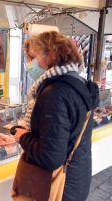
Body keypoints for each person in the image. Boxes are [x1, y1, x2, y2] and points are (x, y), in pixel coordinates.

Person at [13, 31, 99, 201]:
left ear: (51, 54)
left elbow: (51, 157)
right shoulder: (77, 81)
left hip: (59, 186)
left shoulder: (55, 93)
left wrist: (22, 136)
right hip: (76, 177)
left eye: (32, 56)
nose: (29, 63)